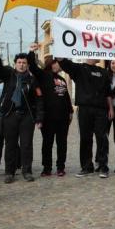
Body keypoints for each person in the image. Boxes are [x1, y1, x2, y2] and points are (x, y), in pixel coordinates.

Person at [57, 56, 113, 178]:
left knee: (102, 138)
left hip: (101, 109)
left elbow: (108, 93)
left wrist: (111, 109)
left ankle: (103, 167)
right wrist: (59, 53)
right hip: (84, 108)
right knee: (85, 138)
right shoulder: (79, 69)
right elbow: (65, 64)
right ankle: (87, 167)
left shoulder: (103, 72)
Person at [0, 53, 44, 183]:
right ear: (15, 64)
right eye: (19, 62)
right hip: (10, 115)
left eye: (24, 63)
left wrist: (39, 118)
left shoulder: (32, 79)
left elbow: (39, 99)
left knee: (26, 145)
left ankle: (27, 171)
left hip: (27, 116)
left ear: (27, 65)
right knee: (10, 145)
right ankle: (9, 172)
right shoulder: (9, 76)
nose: (21, 65)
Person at [28, 45, 73, 177]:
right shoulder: (43, 75)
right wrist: (32, 51)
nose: (60, 65)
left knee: (62, 143)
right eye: (58, 63)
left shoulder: (62, 79)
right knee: (47, 143)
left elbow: (66, 96)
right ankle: (47, 168)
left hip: (63, 118)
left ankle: (60, 167)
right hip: (48, 118)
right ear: (52, 64)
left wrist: (70, 111)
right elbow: (32, 66)